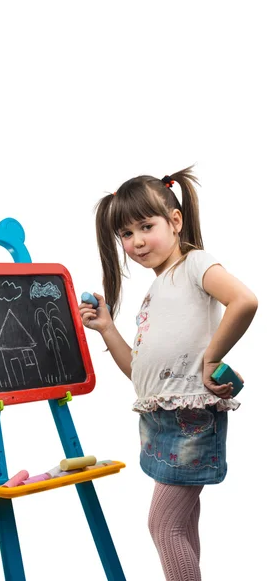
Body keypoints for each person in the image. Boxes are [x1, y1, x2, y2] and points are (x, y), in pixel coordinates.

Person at [79, 166, 258, 581]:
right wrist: (107, 328)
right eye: (125, 234)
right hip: (159, 418)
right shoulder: (156, 291)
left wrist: (211, 359)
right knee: (181, 524)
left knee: (164, 525)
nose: (137, 241)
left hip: (189, 419)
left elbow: (244, 300)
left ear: (175, 221)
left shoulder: (195, 265)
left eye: (146, 226)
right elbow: (140, 375)